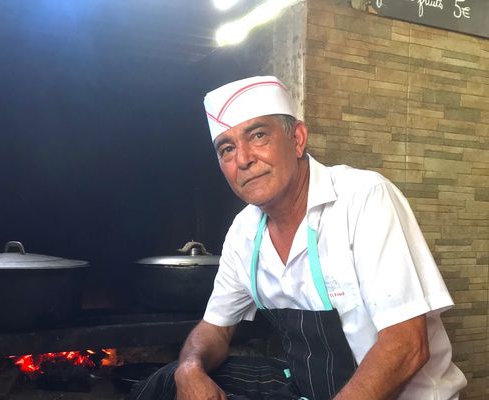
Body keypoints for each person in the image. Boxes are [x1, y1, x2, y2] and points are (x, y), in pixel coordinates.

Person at [127, 76, 467, 400]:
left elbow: (405, 345)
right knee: (168, 381)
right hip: (311, 391)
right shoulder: (244, 232)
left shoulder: (363, 198)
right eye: (227, 149)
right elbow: (214, 329)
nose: (243, 160)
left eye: (258, 135)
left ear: (297, 138)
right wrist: (189, 369)